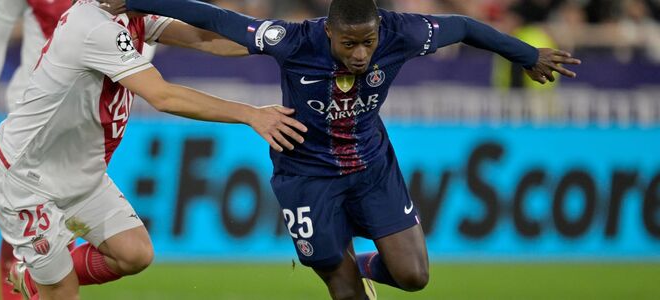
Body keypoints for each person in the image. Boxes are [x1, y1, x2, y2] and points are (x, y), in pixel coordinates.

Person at [125, 0, 581, 299]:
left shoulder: (403, 32)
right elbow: (218, 20)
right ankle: (341, 266)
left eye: (368, 42)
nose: (361, 54)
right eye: (349, 43)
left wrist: (525, 54)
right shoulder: (295, 40)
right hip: (305, 171)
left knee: (414, 277)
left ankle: (358, 261)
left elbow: (462, 27)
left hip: (370, 165)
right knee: (344, 293)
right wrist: (136, 1)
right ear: (330, 35)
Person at [0, 0, 306, 299]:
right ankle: (48, 281)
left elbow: (201, 38)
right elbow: (164, 97)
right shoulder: (94, 26)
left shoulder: (132, 15)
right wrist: (251, 114)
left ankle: (36, 277)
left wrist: (278, 43)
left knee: (133, 253)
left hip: (78, 175)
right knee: (62, 292)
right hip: (24, 177)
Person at [0, 1, 126, 299]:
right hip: (30, 105)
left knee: (58, 215)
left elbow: (137, 35)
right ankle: (30, 287)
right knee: (28, 215)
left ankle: (33, 282)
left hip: (79, 112)